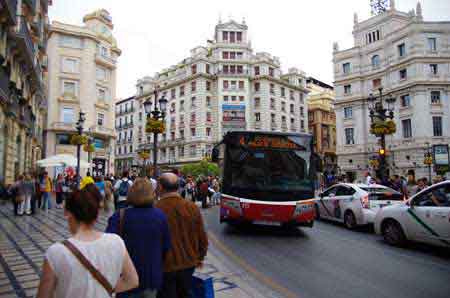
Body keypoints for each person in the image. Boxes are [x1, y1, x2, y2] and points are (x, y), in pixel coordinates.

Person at [36, 184, 139, 298]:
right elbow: (132, 281)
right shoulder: (116, 241)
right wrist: (105, 290)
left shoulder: (56, 252)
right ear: (96, 215)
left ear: (68, 214)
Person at [106, 178, 171, 298]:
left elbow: (108, 246)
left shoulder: (119, 216)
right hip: (150, 277)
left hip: (126, 278)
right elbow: (166, 247)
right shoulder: (160, 216)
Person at [155, 173, 208, 298]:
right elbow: (202, 238)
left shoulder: (156, 209)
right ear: (178, 187)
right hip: (188, 263)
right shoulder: (192, 207)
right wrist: (199, 257)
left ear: (160, 187)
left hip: (165, 266)